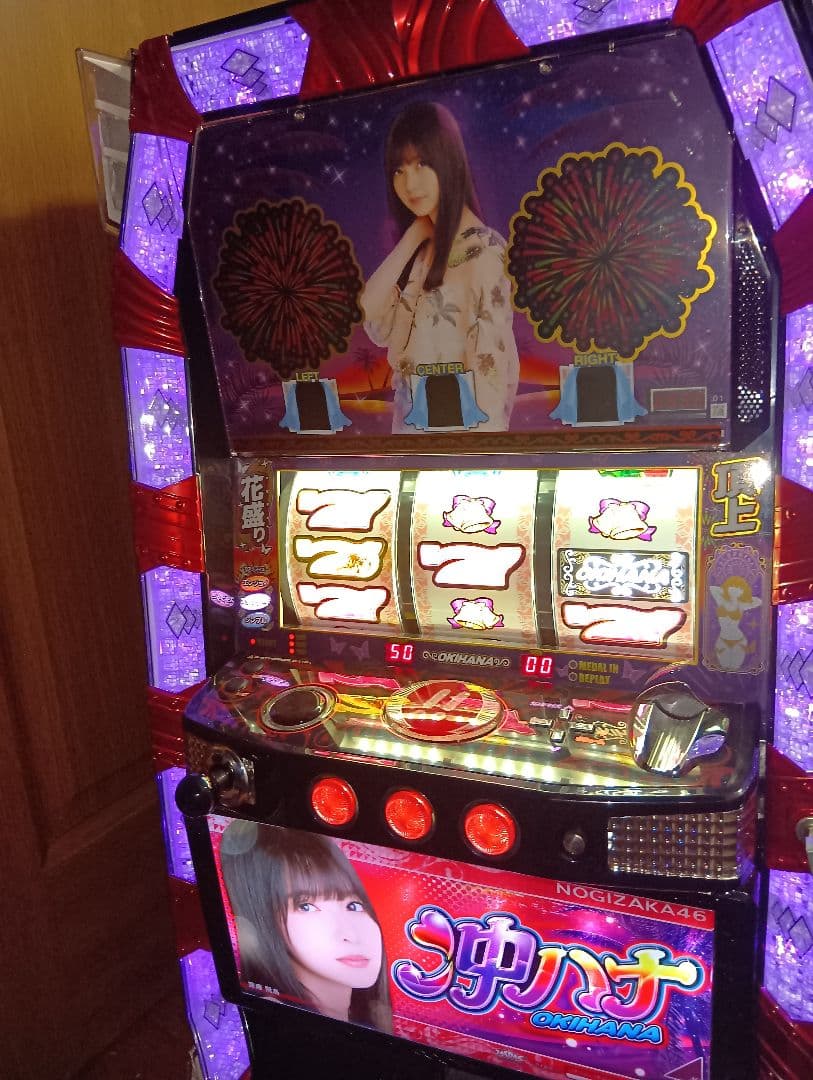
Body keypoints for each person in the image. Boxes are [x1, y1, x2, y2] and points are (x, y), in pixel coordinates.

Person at [361, 101, 519, 433]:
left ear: (448, 161)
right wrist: (412, 237)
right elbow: (371, 314)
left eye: (421, 164)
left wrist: (479, 455)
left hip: (455, 440)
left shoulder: (484, 251)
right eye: (399, 170)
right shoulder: (421, 252)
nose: (409, 183)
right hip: (410, 436)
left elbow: (491, 371)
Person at [219, 820, 392, 1032]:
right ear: (261, 916)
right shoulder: (273, 1022)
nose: (350, 934)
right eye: (306, 906)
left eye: (353, 905)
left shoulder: (374, 1019)